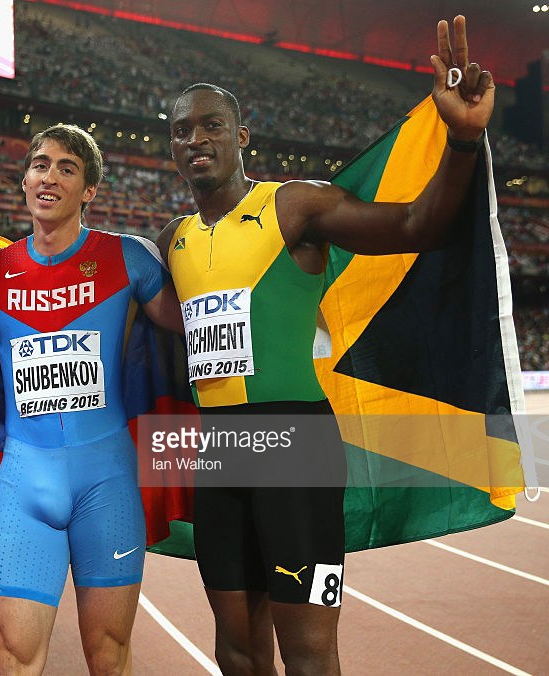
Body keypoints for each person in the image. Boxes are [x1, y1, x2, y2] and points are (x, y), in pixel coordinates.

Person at [156, 16, 493, 676]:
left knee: (309, 653)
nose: (195, 138)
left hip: (296, 450)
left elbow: (417, 223)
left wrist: (462, 139)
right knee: (237, 651)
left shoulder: (295, 207)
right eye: (181, 130)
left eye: (211, 125)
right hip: (219, 454)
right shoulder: (174, 237)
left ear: (241, 136)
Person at [0, 124, 183, 674]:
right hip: (24, 480)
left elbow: (195, 329)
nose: (49, 176)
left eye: (67, 168)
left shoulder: (129, 259)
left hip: (107, 482)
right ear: (26, 180)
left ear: (90, 190)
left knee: (108, 654)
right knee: (13, 654)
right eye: (40, 164)